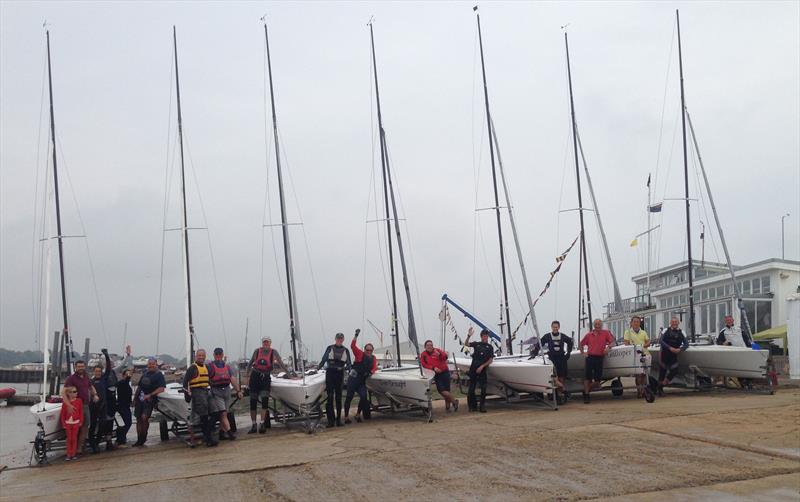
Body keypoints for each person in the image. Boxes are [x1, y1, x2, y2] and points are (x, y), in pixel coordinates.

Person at [247, 337, 289, 434]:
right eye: (264, 342)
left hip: (265, 377)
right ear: (262, 343)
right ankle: (254, 424)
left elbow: (282, 364)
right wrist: (247, 375)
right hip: (255, 376)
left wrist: (290, 375)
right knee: (253, 402)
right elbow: (249, 364)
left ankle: (262, 423)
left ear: (270, 343)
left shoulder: (274, 352)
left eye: (267, 342)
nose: (266, 344)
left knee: (265, 401)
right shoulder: (257, 351)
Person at [62, 360, 99, 456]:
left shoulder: (86, 377)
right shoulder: (71, 379)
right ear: (75, 367)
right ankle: (72, 450)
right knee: (76, 428)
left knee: (85, 427)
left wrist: (95, 395)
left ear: (85, 367)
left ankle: (79, 448)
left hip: (86, 405)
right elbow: (64, 392)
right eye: (79, 366)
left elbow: (91, 387)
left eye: (82, 366)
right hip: (76, 406)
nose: (81, 368)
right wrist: (68, 405)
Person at [182, 349, 218, 447]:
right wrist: (187, 395)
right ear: (196, 357)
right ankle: (209, 439)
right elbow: (185, 382)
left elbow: (208, 379)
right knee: (204, 416)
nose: (201, 357)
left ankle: (207, 435)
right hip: (197, 392)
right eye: (199, 355)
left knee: (216, 413)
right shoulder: (192, 368)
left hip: (207, 391)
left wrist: (213, 389)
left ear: (205, 356)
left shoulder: (206, 367)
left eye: (203, 355)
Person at [208, 347, 243, 441]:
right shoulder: (210, 366)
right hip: (216, 391)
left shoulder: (227, 367)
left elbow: (232, 379)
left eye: (220, 354)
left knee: (225, 413)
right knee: (223, 413)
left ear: (222, 355)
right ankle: (230, 432)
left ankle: (221, 433)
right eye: (217, 354)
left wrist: (238, 391)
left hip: (226, 390)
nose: (218, 356)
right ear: (214, 355)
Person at [317, 332, 351, 427]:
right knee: (330, 397)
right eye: (338, 338)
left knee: (338, 398)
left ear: (343, 340)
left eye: (341, 339)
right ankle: (330, 421)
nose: (339, 340)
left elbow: (349, 364)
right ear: (335, 339)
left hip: (339, 374)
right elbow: (323, 360)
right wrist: (317, 369)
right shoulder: (330, 348)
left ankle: (338, 420)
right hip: (330, 373)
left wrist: (345, 369)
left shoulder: (346, 350)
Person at [344, 329, 376, 424]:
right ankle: (346, 417)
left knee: (363, 397)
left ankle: (358, 414)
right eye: (367, 350)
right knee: (349, 397)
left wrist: (371, 371)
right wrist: (356, 335)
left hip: (362, 380)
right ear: (365, 350)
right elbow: (352, 346)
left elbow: (375, 367)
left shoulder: (373, 358)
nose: (369, 351)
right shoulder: (360, 354)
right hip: (353, 379)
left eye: (370, 350)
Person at [580, 319, 615, 404]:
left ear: (601, 325)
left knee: (597, 382)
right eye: (596, 324)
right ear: (593, 325)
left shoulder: (605, 333)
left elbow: (612, 342)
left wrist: (608, 347)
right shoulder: (589, 335)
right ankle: (587, 396)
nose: (597, 325)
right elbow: (581, 344)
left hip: (599, 358)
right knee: (587, 378)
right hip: (590, 357)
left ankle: (585, 390)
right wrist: (582, 353)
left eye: (599, 324)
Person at [133, 357, 166, 447]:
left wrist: (150, 395)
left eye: (153, 364)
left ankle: (144, 435)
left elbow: (161, 388)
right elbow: (139, 387)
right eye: (149, 364)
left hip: (150, 399)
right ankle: (139, 439)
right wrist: (135, 399)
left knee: (144, 417)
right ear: (147, 365)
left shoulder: (159, 375)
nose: (151, 365)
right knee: (138, 418)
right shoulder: (145, 373)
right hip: (140, 399)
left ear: (156, 365)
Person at [89, 349, 117, 452]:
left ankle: (97, 443)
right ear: (94, 372)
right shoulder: (90, 381)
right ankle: (93, 445)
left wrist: (106, 355)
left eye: (99, 371)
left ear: (101, 372)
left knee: (102, 425)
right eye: (96, 371)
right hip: (93, 406)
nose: (97, 373)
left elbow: (109, 368)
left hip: (103, 406)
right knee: (92, 427)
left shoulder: (104, 379)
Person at [419, 340, 458, 412]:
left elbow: (445, 357)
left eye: (431, 345)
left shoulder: (437, 350)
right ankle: (454, 401)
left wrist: (440, 355)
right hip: (436, 374)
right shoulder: (423, 354)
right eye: (428, 345)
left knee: (447, 390)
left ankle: (448, 408)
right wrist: (433, 368)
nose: (429, 346)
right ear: (425, 346)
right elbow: (424, 364)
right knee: (442, 391)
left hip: (445, 372)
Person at [540, 321, 574, 404]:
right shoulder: (547, 336)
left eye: (556, 327)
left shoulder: (562, 336)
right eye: (553, 327)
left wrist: (568, 353)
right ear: (551, 327)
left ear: (559, 327)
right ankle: (561, 392)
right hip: (552, 359)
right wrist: (534, 352)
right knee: (554, 378)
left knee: (561, 377)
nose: (555, 328)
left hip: (562, 359)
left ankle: (560, 396)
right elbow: (540, 343)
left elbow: (570, 342)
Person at [465, 327, 494, 413]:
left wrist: (482, 366)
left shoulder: (490, 347)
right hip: (473, 368)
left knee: (483, 388)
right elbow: (466, 344)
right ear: (481, 336)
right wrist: (468, 335)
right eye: (484, 336)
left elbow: (490, 359)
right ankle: (472, 406)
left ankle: (482, 406)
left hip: (482, 369)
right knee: (471, 389)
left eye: (486, 336)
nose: (485, 337)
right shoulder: (476, 344)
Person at [658, 317, 689, 394]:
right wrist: (669, 348)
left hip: (674, 354)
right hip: (664, 353)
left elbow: (686, 344)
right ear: (670, 323)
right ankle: (659, 389)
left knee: (675, 370)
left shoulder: (682, 332)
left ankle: (663, 383)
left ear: (678, 323)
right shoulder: (665, 330)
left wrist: (680, 349)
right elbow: (661, 341)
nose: (674, 323)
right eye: (673, 322)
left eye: (676, 322)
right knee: (662, 372)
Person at [623, 317, 650, 398]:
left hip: (644, 353)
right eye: (634, 322)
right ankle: (639, 391)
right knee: (638, 374)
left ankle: (644, 390)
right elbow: (626, 343)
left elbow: (648, 342)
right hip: (635, 355)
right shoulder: (628, 332)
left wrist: (643, 345)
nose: (636, 323)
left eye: (638, 322)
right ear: (631, 323)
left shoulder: (643, 332)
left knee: (644, 374)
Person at [61, 386, 84, 461]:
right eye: (72, 392)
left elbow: (81, 412)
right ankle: (68, 454)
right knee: (69, 439)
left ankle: (73, 454)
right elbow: (63, 414)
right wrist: (63, 423)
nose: (75, 393)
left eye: (75, 391)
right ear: (68, 393)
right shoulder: (66, 403)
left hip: (76, 422)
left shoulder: (79, 401)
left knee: (74, 438)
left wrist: (81, 421)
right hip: (68, 423)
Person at [115, 368, 133, 447]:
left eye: (129, 374)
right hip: (121, 406)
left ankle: (121, 438)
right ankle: (120, 439)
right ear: (123, 375)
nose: (128, 376)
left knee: (128, 423)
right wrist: (128, 376)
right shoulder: (122, 382)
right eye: (126, 374)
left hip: (126, 405)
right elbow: (125, 382)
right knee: (128, 423)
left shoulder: (127, 383)